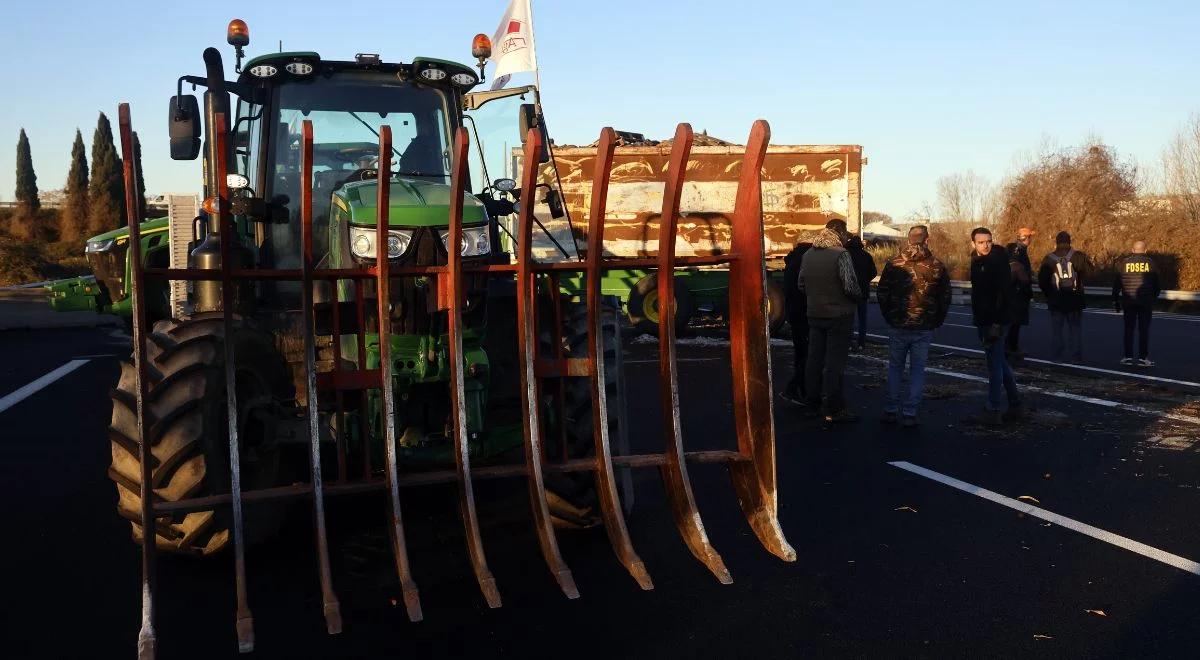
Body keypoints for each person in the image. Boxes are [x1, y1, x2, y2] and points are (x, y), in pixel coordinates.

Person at [876, 225, 950, 427]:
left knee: (895, 368)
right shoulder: (936, 265)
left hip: (898, 324)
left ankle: (890, 409)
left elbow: (882, 293)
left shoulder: (895, 263)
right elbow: (945, 297)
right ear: (927, 240)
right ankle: (910, 412)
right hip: (924, 325)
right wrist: (938, 320)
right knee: (917, 370)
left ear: (909, 240)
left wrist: (890, 316)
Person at [799, 219, 861, 423]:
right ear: (840, 234)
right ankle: (834, 407)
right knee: (835, 363)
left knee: (814, 360)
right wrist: (858, 299)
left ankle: (811, 403)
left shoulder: (808, 255)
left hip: (814, 314)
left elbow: (801, 285)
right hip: (839, 316)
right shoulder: (841, 255)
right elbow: (850, 287)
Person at [970, 227, 1021, 423]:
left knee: (994, 364)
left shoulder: (997, 261)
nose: (986, 245)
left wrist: (997, 322)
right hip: (984, 318)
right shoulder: (976, 260)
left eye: (988, 241)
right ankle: (1015, 402)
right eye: (981, 242)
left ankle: (994, 407)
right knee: (999, 361)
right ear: (973, 243)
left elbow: (1004, 293)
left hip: (995, 320)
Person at [1037, 231, 1090, 363]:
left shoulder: (1049, 259)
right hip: (1075, 299)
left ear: (1056, 242)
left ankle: (1056, 357)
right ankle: (1075, 358)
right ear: (1070, 241)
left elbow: (1042, 281)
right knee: (1075, 330)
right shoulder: (1079, 256)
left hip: (1056, 300)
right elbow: (1090, 273)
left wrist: (1049, 294)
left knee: (1057, 331)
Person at [1112, 240, 1161, 367]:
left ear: (1133, 250)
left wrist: (1115, 300)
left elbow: (1117, 283)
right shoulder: (1151, 263)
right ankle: (1143, 358)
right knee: (1143, 330)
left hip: (1128, 300)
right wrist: (1153, 297)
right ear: (1145, 250)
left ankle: (1127, 357)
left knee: (1129, 329)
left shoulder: (1124, 263)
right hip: (1145, 301)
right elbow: (1157, 284)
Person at [779, 240, 813, 405]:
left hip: (793, 312)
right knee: (809, 353)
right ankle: (795, 388)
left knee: (800, 352)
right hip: (804, 312)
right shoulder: (805, 260)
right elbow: (803, 287)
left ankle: (799, 389)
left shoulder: (792, 260)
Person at [1004, 228, 1035, 360]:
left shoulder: (1019, 250)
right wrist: (1024, 284)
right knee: (1014, 321)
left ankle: (1011, 346)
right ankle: (1011, 347)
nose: (1030, 240)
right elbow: (1016, 269)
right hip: (1016, 292)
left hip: (1017, 291)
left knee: (1015, 322)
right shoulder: (1017, 251)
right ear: (1024, 238)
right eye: (1029, 237)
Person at [845, 235, 878, 351]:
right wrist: (865, 279)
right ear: (860, 244)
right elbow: (874, 272)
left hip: (848, 291)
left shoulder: (845, 255)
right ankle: (861, 343)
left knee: (849, 319)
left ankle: (848, 343)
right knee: (862, 319)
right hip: (862, 290)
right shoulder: (866, 256)